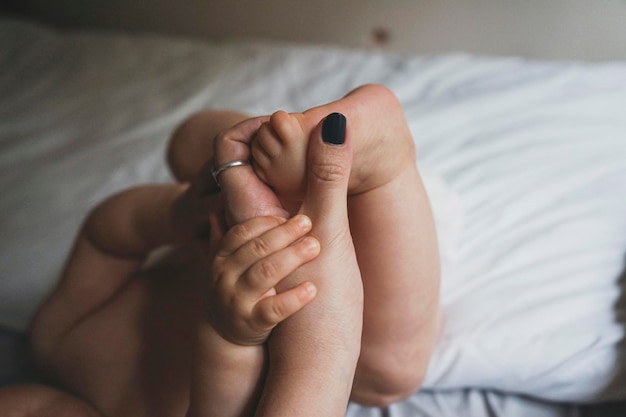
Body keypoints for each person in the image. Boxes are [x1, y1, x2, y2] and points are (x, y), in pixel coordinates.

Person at [0, 84, 441, 416]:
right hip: (321, 304)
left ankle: (275, 168)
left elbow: (106, 238)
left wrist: (178, 214)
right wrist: (231, 335)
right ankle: (383, 167)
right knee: (388, 370)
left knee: (191, 140)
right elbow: (224, 402)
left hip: (224, 224)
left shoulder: (56, 341)